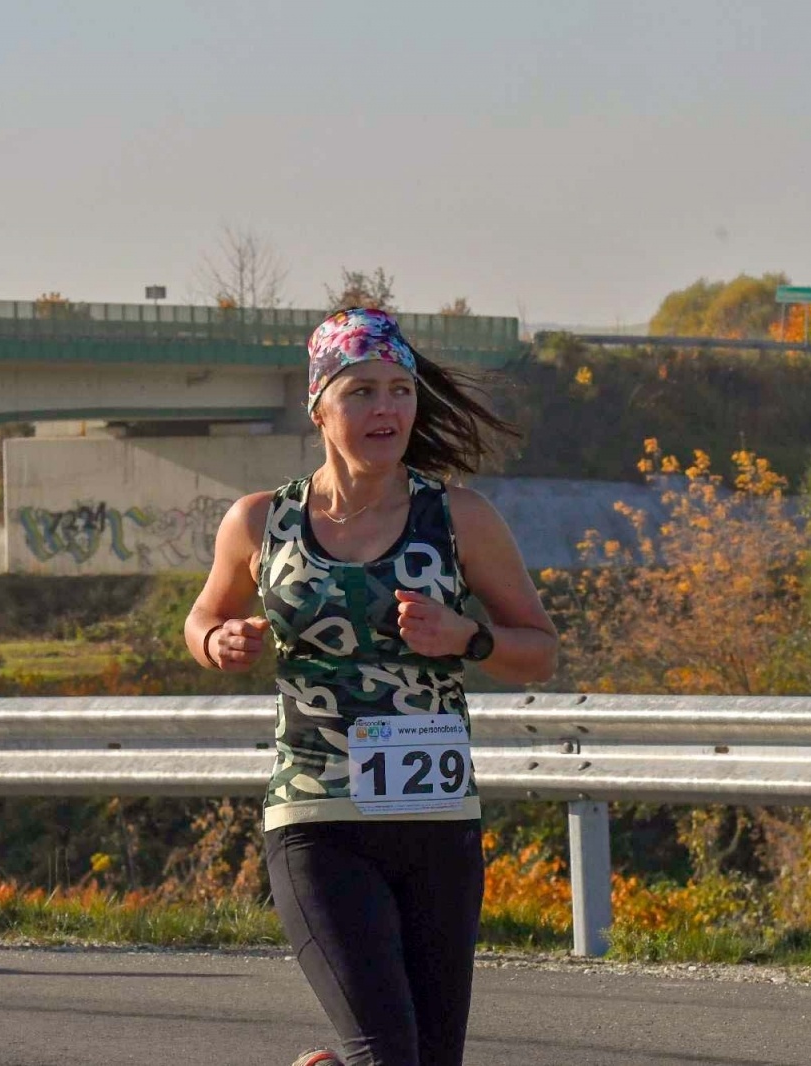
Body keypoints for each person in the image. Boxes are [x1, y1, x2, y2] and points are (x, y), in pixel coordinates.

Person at [185, 307, 558, 1066]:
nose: (386, 408)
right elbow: (201, 619)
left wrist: (468, 637)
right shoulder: (261, 522)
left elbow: (539, 651)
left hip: (434, 817)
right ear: (319, 405)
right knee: (385, 1053)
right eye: (361, 392)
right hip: (317, 813)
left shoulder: (458, 519)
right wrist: (217, 640)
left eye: (400, 390)